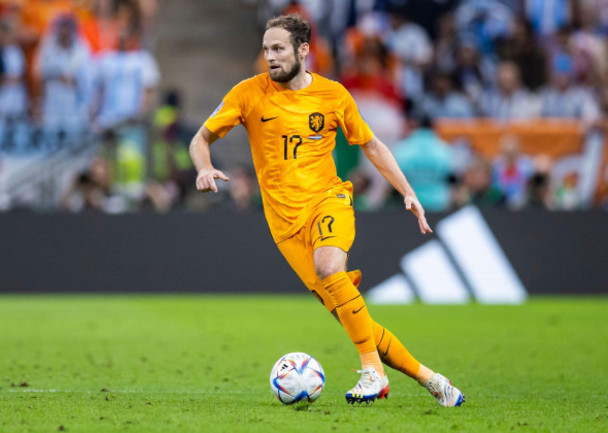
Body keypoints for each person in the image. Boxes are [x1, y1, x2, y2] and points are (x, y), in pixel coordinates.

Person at [189, 14, 465, 406]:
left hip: (328, 200)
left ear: (303, 50)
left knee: (329, 267)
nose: (270, 57)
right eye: (266, 49)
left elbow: (371, 145)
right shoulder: (247, 93)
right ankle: (432, 379)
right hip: (285, 227)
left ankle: (373, 372)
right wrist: (204, 167)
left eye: (279, 48)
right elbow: (200, 139)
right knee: (353, 318)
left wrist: (407, 191)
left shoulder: (332, 95)